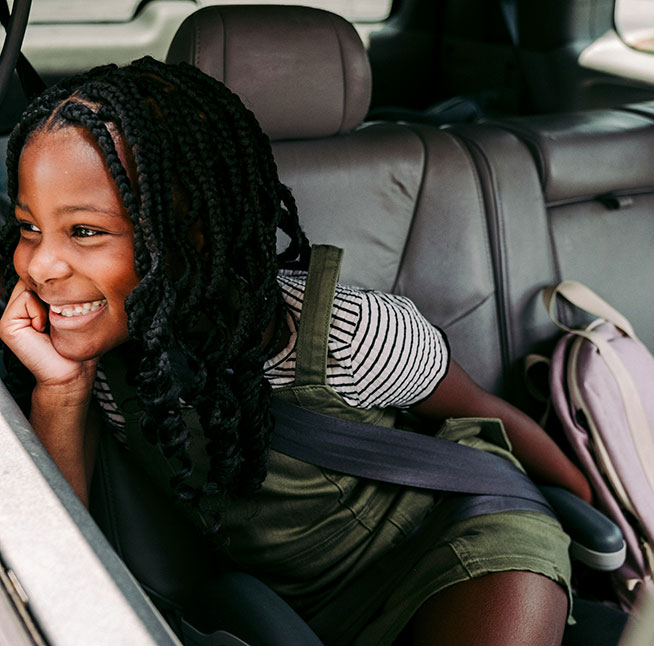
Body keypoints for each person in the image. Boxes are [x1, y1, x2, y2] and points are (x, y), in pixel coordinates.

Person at [0, 57, 592, 646]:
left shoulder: (349, 331)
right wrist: (62, 386)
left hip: (458, 552)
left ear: (192, 230)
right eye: (29, 227)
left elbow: (483, 413)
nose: (41, 265)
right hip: (306, 605)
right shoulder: (103, 354)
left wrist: (585, 503)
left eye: (85, 231)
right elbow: (57, 547)